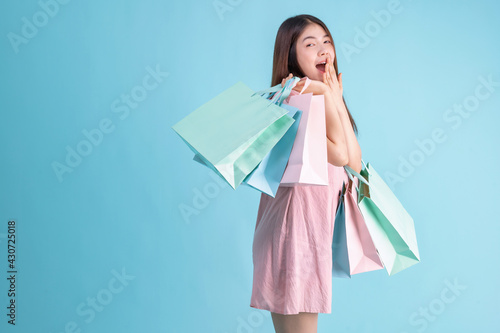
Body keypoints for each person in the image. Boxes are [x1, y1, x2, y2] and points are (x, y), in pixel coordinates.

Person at [249, 14, 363, 333]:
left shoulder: (306, 92)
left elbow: (354, 160)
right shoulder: (306, 92)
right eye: (310, 44)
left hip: (295, 228)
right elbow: (344, 157)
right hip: (297, 230)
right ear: (291, 54)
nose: (323, 49)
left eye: (327, 41)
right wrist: (330, 96)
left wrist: (336, 98)